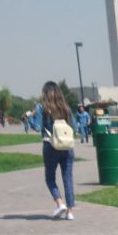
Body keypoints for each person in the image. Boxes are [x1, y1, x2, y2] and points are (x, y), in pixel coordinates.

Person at [34, 81, 76, 220]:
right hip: (67, 146)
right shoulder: (66, 108)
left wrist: (28, 119)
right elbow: (75, 127)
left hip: (50, 146)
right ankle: (70, 212)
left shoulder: (41, 107)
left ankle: (59, 203)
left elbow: (37, 127)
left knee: (50, 178)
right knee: (67, 178)